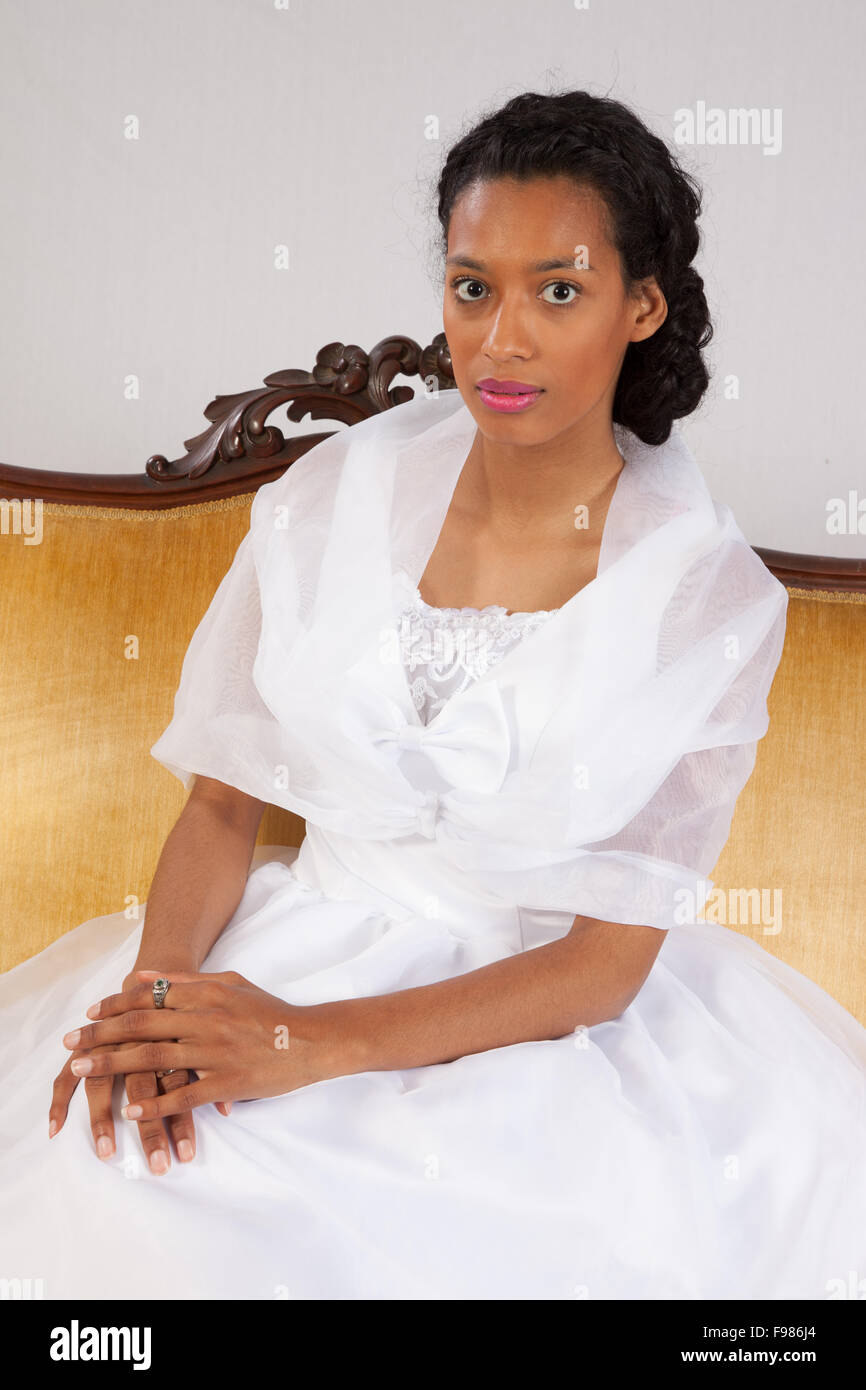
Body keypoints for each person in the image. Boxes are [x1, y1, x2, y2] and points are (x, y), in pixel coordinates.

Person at [2, 89, 865, 1301]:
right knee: (121, 1182)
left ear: (642, 304)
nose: (499, 339)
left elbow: (602, 965)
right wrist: (155, 1000)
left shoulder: (703, 596)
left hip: (532, 1024)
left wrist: (303, 1046)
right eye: (472, 286)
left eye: (555, 291)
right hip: (279, 945)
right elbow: (218, 811)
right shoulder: (330, 495)